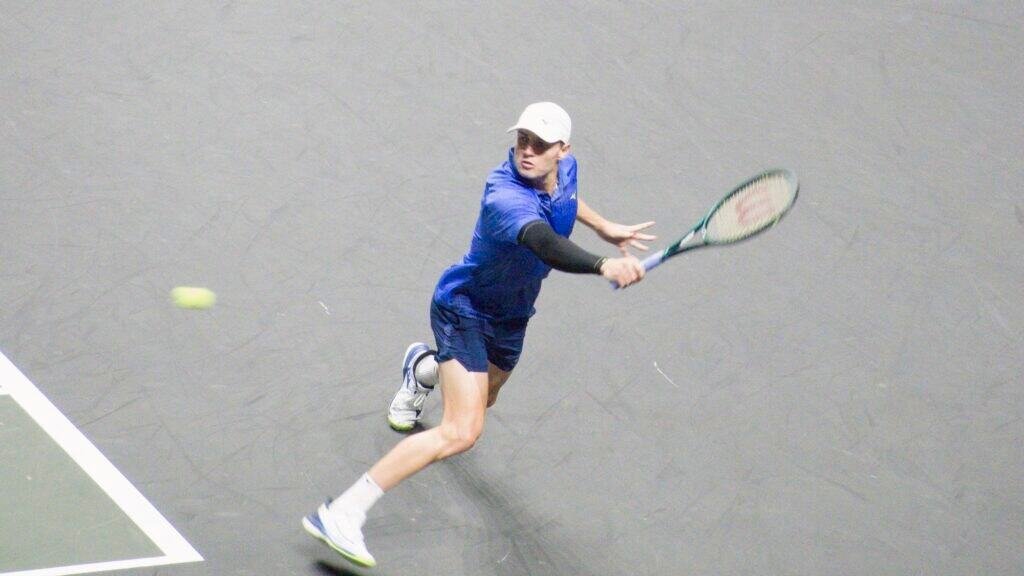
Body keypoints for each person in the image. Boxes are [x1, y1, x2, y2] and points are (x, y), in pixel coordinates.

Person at [303, 102, 656, 567]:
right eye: (522, 140)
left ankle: (421, 368)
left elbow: (568, 198)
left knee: (484, 397)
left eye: (540, 144)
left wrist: (603, 226)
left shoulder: (566, 169)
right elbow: (544, 243)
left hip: (512, 313)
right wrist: (602, 263)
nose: (527, 151)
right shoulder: (504, 195)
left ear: (563, 150)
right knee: (461, 429)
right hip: (463, 308)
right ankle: (343, 512)